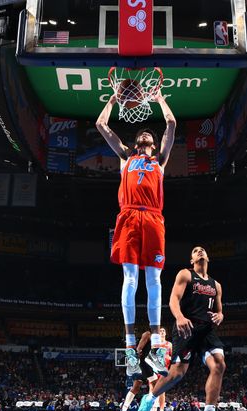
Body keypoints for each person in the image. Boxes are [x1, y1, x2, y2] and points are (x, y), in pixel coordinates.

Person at [96, 88, 176, 378]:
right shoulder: (124, 158)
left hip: (153, 217)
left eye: (148, 136)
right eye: (140, 135)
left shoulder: (160, 161)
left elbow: (171, 125)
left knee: (154, 278)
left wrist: (159, 100)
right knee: (131, 278)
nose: (144, 135)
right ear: (136, 142)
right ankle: (131, 349)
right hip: (129, 216)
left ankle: (155, 350)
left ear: (153, 145)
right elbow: (101, 126)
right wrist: (113, 100)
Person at [135, 246, 234, 411]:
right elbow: (174, 298)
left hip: (206, 331)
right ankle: (149, 399)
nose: (200, 251)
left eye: (203, 250)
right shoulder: (186, 275)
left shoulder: (216, 285)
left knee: (219, 365)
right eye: (195, 251)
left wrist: (221, 316)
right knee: (177, 374)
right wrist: (179, 317)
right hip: (186, 327)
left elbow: (220, 311)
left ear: (208, 257)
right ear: (191, 260)